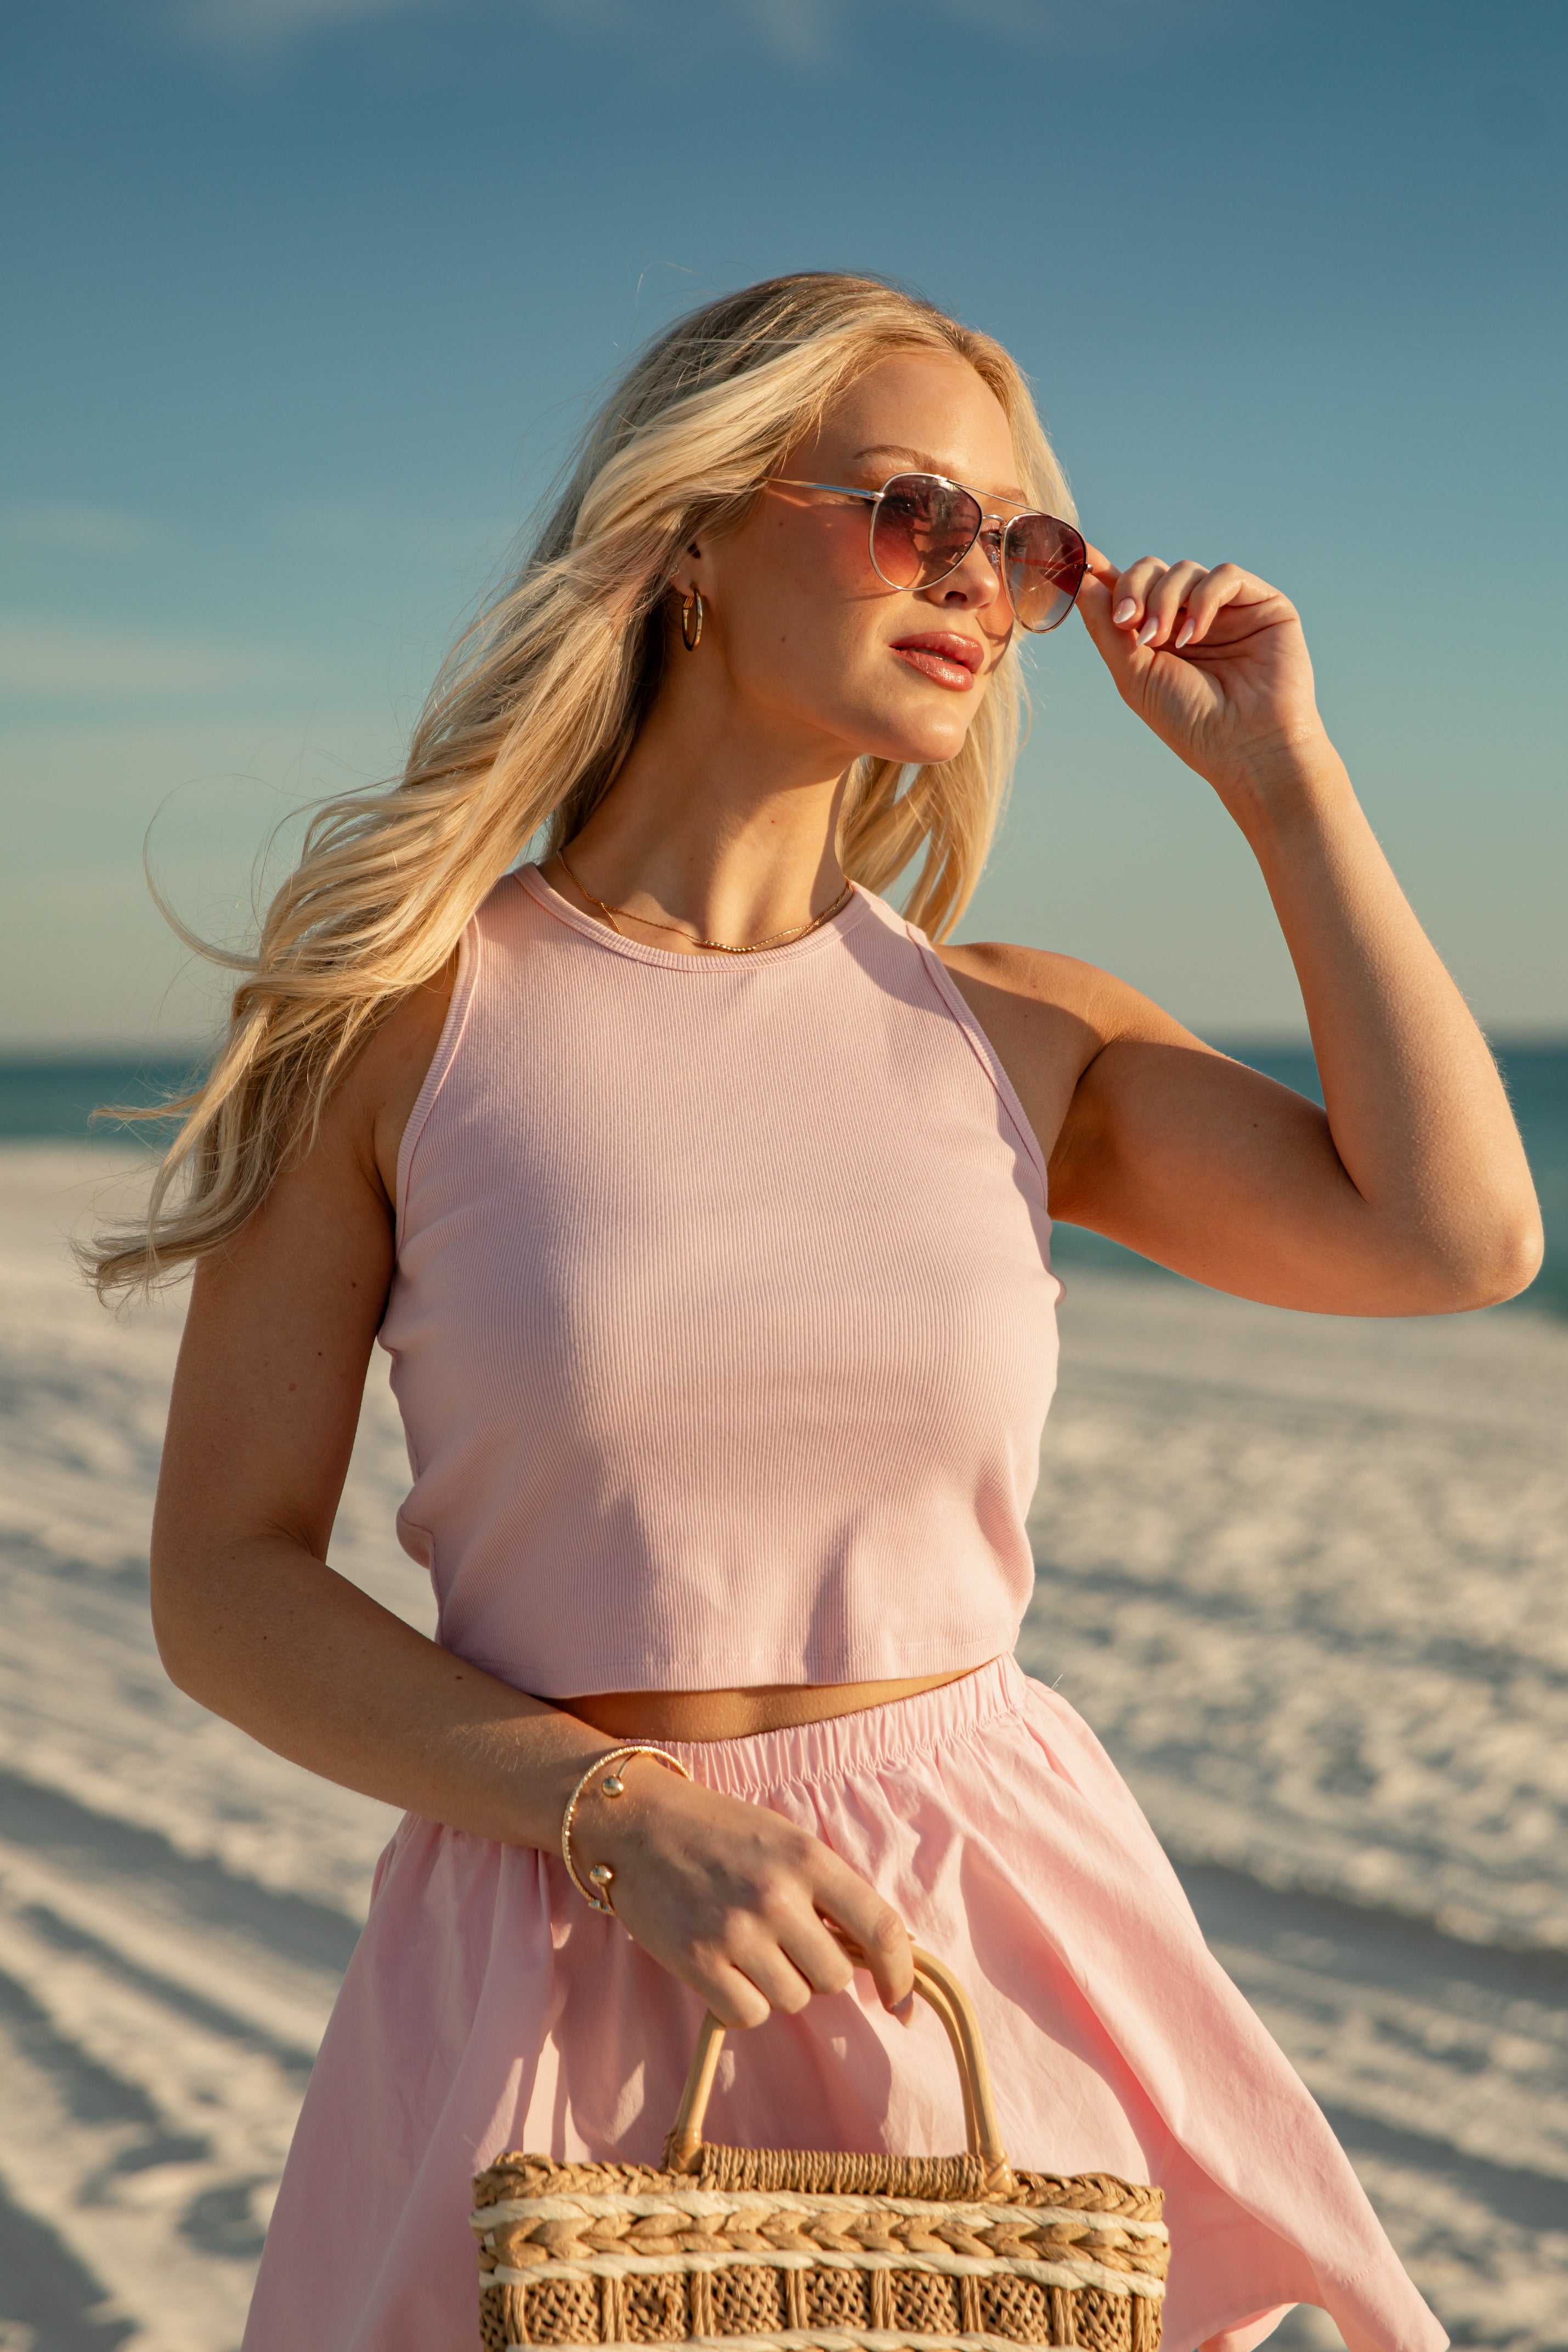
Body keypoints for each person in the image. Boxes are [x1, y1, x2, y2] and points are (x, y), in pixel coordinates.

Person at [98, 273, 1540, 2352]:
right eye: (904, 510)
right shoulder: (396, 1023)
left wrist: (1280, 781)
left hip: (980, 1939)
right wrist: (617, 1816)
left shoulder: (1017, 1037)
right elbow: (221, 1583)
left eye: (1019, 543)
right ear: (687, 535)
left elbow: (1456, 1240)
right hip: (565, 1932)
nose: (976, 577)